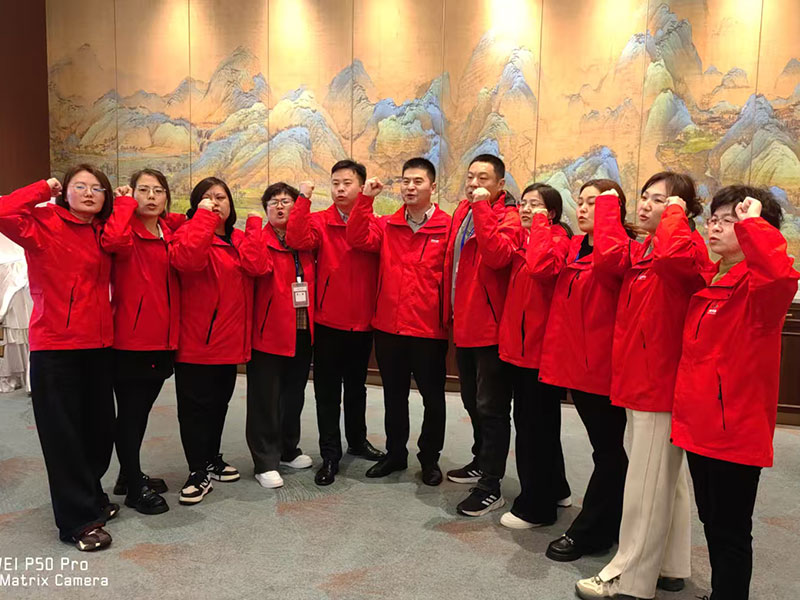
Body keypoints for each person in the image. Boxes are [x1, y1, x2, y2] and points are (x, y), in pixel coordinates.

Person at [575, 172, 709, 599]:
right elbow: (608, 260)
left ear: (681, 211)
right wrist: (608, 206)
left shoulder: (684, 249)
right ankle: (670, 564)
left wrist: (675, 217)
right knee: (665, 477)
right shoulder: (645, 249)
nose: (647, 205)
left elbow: (674, 260)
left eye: (661, 200)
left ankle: (629, 577)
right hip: (638, 379)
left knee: (645, 483)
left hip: (658, 384)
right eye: (645, 197)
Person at [671, 186, 798, 600]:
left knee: (731, 531)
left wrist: (753, 224)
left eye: (729, 221)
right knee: (712, 520)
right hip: (699, 425)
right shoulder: (714, 278)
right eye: (714, 219)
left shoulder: (760, 292)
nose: (715, 227)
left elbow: (779, 274)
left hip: (734, 432)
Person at [0, 165, 116, 550]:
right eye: (79, 186)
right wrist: (41, 188)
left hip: (99, 345)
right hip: (56, 346)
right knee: (63, 436)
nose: (88, 193)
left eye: (97, 188)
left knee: (99, 431)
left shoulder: (103, 231)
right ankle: (78, 521)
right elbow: (3, 211)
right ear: (64, 192)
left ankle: (92, 495)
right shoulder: (44, 224)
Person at [539, 179, 631, 561]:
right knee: (606, 451)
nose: (583, 208)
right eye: (580, 201)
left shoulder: (621, 249)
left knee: (609, 453)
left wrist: (609, 219)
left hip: (604, 370)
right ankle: (611, 523)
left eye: (595, 203)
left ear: (614, 210)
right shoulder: (575, 245)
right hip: (575, 366)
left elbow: (610, 265)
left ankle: (592, 530)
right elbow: (540, 267)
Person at [346, 157, 451, 485]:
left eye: (418, 181)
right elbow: (357, 238)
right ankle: (395, 454)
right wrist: (366, 199)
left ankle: (429, 459)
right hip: (389, 327)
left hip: (429, 330)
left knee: (433, 399)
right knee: (394, 396)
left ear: (433, 187)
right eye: (406, 181)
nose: (410, 187)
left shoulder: (448, 227)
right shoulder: (387, 225)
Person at [170, 177, 268, 505]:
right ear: (197, 204)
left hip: (230, 343)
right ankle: (197, 470)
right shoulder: (189, 232)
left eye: (221, 197)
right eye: (208, 197)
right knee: (194, 410)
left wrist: (253, 228)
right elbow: (188, 261)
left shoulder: (238, 238)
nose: (216, 202)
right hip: (196, 342)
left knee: (217, 406)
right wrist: (203, 218)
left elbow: (258, 267)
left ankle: (211, 457)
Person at [286, 159, 384, 486]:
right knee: (327, 393)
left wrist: (365, 204)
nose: (340, 189)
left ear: (362, 187)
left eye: (347, 183)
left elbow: (361, 239)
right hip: (328, 321)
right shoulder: (320, 221)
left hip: (363, 322)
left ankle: (357, 440)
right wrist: (303, 199)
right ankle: (330, 454)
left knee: (357, 388)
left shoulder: (374, 224)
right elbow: (297, 239)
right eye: (335, 183)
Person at [99, 168, 183, 516]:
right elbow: (111, 242)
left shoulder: (168, 233)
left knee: (140, 412)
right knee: (131, 414)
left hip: (163, 339)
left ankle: (127, 474)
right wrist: (121, 207)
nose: (151, 196)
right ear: (131, 194)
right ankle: (134, 488)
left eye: (158, 191)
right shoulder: (124, 232)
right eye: (144, 190)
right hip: (131, 341)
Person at [442, 154, 522, 516]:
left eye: (483, 178)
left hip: (490, 328)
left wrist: (482, 209)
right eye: (470, 177)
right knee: (472, 402)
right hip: (463, 323)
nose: (474, 184)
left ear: (500, 185)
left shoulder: (508, 216)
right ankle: (480, 460)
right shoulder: (463, 211)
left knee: (492, 408)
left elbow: (497, 257)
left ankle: (491, 485)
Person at [496, 183, 572, 529]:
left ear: (551, 213)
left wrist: (540, 226)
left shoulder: (556, 240)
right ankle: (556, 488)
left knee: (533, 431)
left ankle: (536, 508)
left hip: (539, 353)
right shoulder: (527, 241)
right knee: (540, 425)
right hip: (520, 349)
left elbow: (543, 269)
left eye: (535, 205)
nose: (526, 210)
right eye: (523, 204)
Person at [247, 182, 314, 489]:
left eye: (286, 201)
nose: (279, 206)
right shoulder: (259, 239)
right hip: (269, 332)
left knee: (293, 395)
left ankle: (288, 449)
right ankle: (265, 461)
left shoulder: (305, 241)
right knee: (265, 399)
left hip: (302, 329)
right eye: (273, 202)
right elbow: (256, 268)